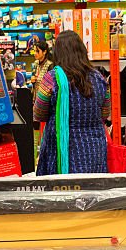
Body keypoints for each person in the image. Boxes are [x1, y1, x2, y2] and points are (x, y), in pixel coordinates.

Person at [34, 31, 110, 175]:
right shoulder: (100, 78)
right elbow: (105, 114)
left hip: (63, 151)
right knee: (92, 192)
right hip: (94, 150)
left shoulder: (52, 79)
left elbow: (38, 114)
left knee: (63, 193)